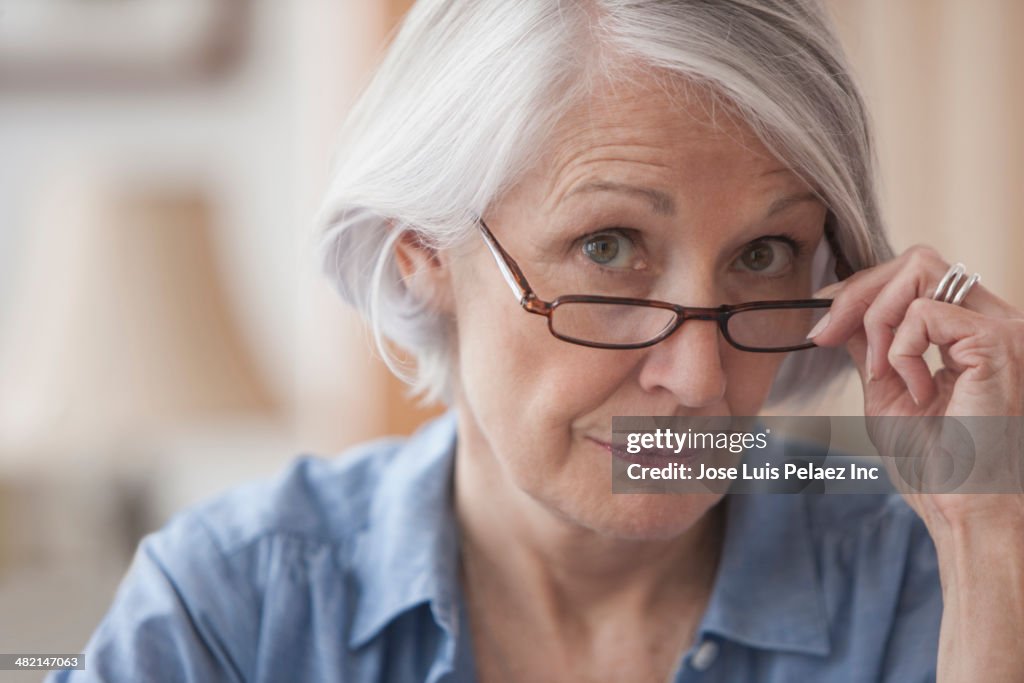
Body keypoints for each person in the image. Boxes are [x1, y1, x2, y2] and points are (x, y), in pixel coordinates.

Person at [52, 1, 1024, 681]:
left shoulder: (932, 582)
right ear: (419, 256)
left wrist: (990, 541)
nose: (697, 379)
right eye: (608, 247)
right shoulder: (232, 608)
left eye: (764, 253)